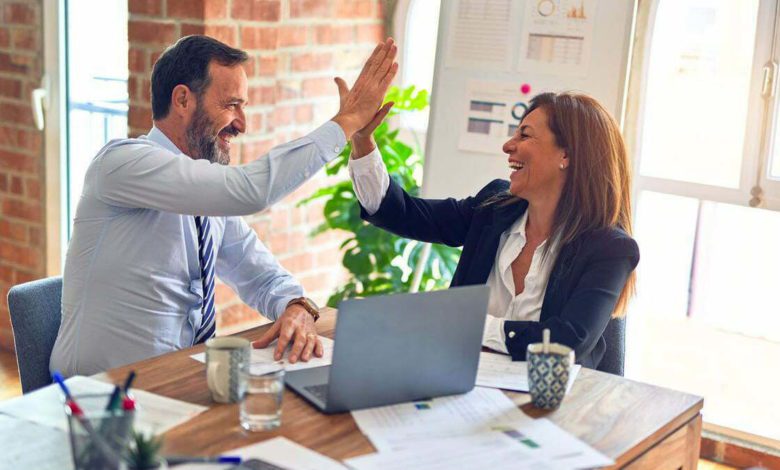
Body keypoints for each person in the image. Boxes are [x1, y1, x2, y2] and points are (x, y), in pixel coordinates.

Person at [50, 35, 398, 376]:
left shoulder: (206, 198)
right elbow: (251, 190)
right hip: (98, 398)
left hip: (177, 383)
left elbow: (261, 275)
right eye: (232, 104)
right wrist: (347, 122)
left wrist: (296, 306)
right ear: (183, 100)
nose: (242, 124)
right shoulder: (122, 164)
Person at [348, 92, 639, 369]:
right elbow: (403, 213)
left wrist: (468, 324)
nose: (508, 145)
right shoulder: (494, 208)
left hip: (553, 407)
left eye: (524, 135)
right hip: (463, 384)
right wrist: (362, 141)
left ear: (567, 155)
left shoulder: (609, 249)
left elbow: (566, 342)